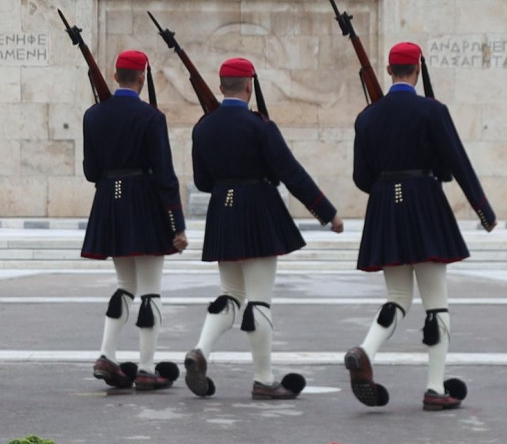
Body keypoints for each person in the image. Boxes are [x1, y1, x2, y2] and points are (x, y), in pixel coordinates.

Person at [344, 42, 496, 411]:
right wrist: (482, 208)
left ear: (388, 70)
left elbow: (362, 177)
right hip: (424, 202)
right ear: (417, 69)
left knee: (397, 298)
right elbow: (456, 161)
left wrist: (386, 187)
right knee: (436, 304)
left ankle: (366, 350)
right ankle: (434, 387)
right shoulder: (431, 110)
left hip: (384, 206)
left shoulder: (367, 116)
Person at [186, 57, 342, 400]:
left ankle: (200, 350)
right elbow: (291, 172)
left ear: (220, 86)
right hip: (257, 209)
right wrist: (326, 213)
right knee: (259, 300)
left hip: (222, 211)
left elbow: (201, 181)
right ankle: (264, 379)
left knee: (230, 293)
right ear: (249, 86)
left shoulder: (203, 126)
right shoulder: (260, 126)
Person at [80, 50, 187, 391]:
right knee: (150, 291)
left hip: (110, 201)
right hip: (144, 201)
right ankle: (145, 367)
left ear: (115, 77)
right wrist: (176, 223)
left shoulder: (92, 115)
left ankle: (106, 354)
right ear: (142, 77)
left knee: (125, 285)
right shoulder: (150, 117)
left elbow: (91, 172)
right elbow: (165, 173)